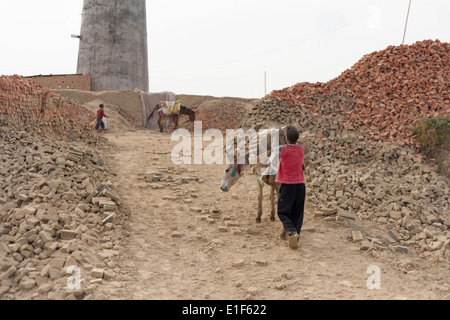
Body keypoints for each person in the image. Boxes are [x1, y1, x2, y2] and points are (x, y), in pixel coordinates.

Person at [271, 126, 306, 249]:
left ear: (286, 138)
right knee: (298, 213)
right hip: (301, 185)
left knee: (282, 211)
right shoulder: (301, 149)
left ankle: (291, 231)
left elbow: (272, 152)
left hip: (287, 186)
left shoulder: (282, 150)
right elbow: (296, 145)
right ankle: (296, 235)